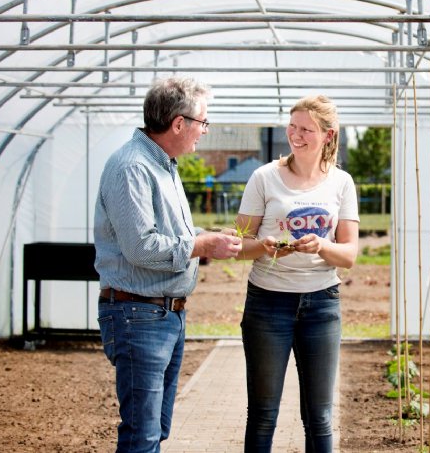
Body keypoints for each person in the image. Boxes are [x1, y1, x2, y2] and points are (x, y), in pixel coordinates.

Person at [94, 76, 242, 453]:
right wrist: (200, 244)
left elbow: (168, 234)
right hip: (138, 314)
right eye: (203, 122)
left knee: (154, 429)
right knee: (141, 434)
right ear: (180, 123)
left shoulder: (164, 165)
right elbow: (142, 247)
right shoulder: (133, 167)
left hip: (164, 315)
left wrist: (205, 237)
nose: (204, 132)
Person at [235, 95, 359, 452]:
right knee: (262, 414)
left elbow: (349, 254)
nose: (296, 134)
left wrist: (321, 246)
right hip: (267, 305)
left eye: (306, 129)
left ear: (328, 135)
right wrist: (264, 246)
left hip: (322, 306)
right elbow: (239, 245)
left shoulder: (341, 183)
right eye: (292, 126)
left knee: (319, 417)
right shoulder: (263, 178)